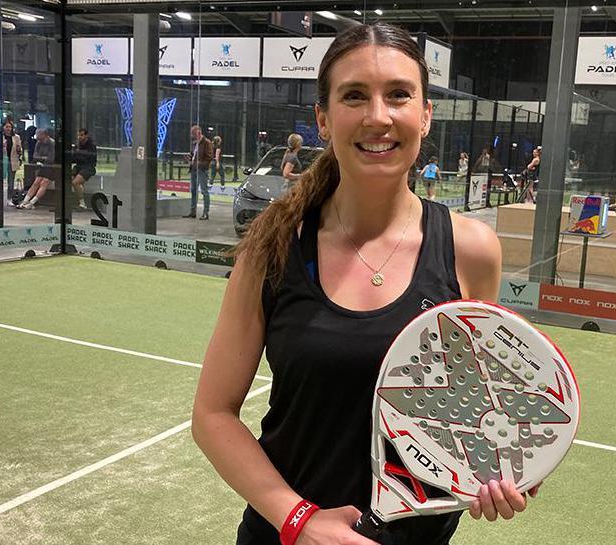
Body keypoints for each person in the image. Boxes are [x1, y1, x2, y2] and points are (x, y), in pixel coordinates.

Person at [191, 23, 534, 545]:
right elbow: (212, 414)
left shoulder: (473, 250)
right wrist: (299, 520)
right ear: (324, 121)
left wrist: (497, 473)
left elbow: (482, 403)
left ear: (425, 114)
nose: (379, 116)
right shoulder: (274, 244)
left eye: (399, 94)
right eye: (355, 96)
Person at [16, 129, 54, 209]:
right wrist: (42, 159)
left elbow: (51, 158)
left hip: (51, 167)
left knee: (44, 182)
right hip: (42, 166)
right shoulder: (38, 143)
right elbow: (35, 156)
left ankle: (32, 202)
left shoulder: (52, 143)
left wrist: (41, 159)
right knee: (36, 182)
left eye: (39, 136)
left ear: (44, 135)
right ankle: (25, 201)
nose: (37, 138)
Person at [185, 124, 213, 220]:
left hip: (202, 170)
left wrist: (199, 163)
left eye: (193, 134)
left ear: (198, 133)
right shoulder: (195, 143)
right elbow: (194, 154)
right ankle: (193, 211)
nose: (192, 137)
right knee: (193, 190)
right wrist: (190, 158)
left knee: (204, 191)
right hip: (194, 169)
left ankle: (206, 213)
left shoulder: (206, 143)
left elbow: (209, 157)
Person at [71, 128, 97, 211]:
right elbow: (74, 157)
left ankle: (82, 204)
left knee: (75, 182)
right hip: (78, 166)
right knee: (70, 177)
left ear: (86, 135)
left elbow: (91, 158)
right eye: (79, 135)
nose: (80, 137)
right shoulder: (77, 145)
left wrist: (79, 154)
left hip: (88, 167)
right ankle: (78, 201)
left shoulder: (92, 146)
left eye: (82, 135)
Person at [3, 120, 24, 204]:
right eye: (6, 127)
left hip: (13, 160)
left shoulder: (16, 137)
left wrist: (19, 150)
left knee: (11, 181)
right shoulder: (1, 137)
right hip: (3, 160)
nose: (8, 129)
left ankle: (9, 198)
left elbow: (20, 149)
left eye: (10, 127)